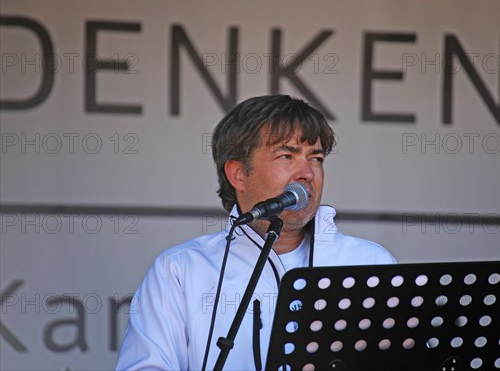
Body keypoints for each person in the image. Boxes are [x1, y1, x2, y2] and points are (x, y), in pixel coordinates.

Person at [116, 94, 396, 370]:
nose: (307, 173)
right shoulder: (179, 270)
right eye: (287, 155)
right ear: (238, 174)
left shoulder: (369, 262)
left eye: (316, 158)